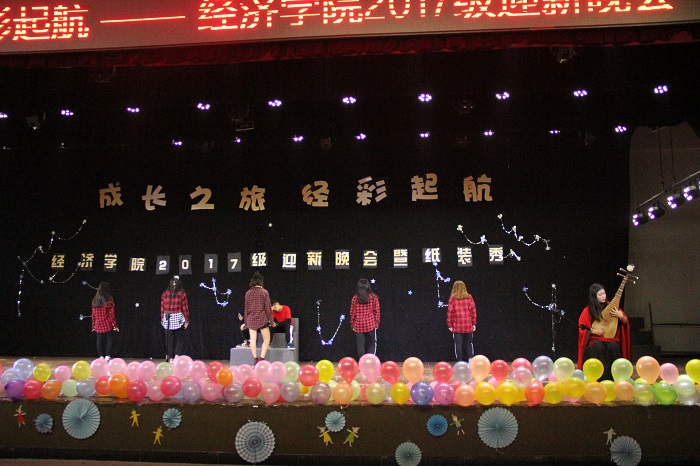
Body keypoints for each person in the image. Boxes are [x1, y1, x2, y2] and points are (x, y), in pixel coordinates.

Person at [577, 283, 631, 380]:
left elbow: (625, 322)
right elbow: (582, 327)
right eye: (600, 294)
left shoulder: (612, 306)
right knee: (597, 347)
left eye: (604, 293)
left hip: (611, 338)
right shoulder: (588, 310)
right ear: (594, 297)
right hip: (595, 339)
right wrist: (594, 331)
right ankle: (597, 377)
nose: (603, 296)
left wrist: (620, 316)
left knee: (613, 346)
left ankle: (614, 377)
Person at [244, 271, 273, 364]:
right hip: (262, 319)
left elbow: (246, 309)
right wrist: (271, 321)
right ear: (261, 282)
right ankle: (261, 358)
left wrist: (245, 322)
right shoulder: (264, 292)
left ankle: (255, 359)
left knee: (252, 339)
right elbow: (268, 308)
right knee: (267, 339)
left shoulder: (248, 293)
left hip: (251, 319)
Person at [447, 280, 477, 362]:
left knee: (458, 345)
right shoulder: (469, 298)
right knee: (469, 344)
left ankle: (459, 362)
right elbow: (473, 311)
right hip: (468, 325)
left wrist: (449, 325)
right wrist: (473, 323)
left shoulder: (452, 299)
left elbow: (450, 313)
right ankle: (470, 362)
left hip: (457, 326)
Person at [160, 275, 190, 361]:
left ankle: (170, 359)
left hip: (167, 318)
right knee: (180, 339)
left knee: (169, 341)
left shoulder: (165, 293)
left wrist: (162, 318)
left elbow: (162, 308)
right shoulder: (182, 294)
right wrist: (187, 320)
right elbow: (185, 308)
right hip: (178, 318)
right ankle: (176, 357)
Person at [350, 278, 380, 358]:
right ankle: (371, 361)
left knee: (360, 345)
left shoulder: (355, 298)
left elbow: (352, 313)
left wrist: (352, 324)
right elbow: (377, 311)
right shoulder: (373, 297)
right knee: (372, 344)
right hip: (370, 324)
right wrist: (376, 323)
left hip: (358, 325)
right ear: (368, 286)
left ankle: (362, 362)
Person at [91, 281, 118, 359]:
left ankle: (101, 357)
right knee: (110, 340)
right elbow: (112, 313)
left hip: (98, 323)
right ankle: (107, 356)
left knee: (99, 340)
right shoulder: (109, 299)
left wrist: (93, 325)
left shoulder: (95, 300)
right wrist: (115, 325)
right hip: (107, 322)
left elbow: (93, 314)